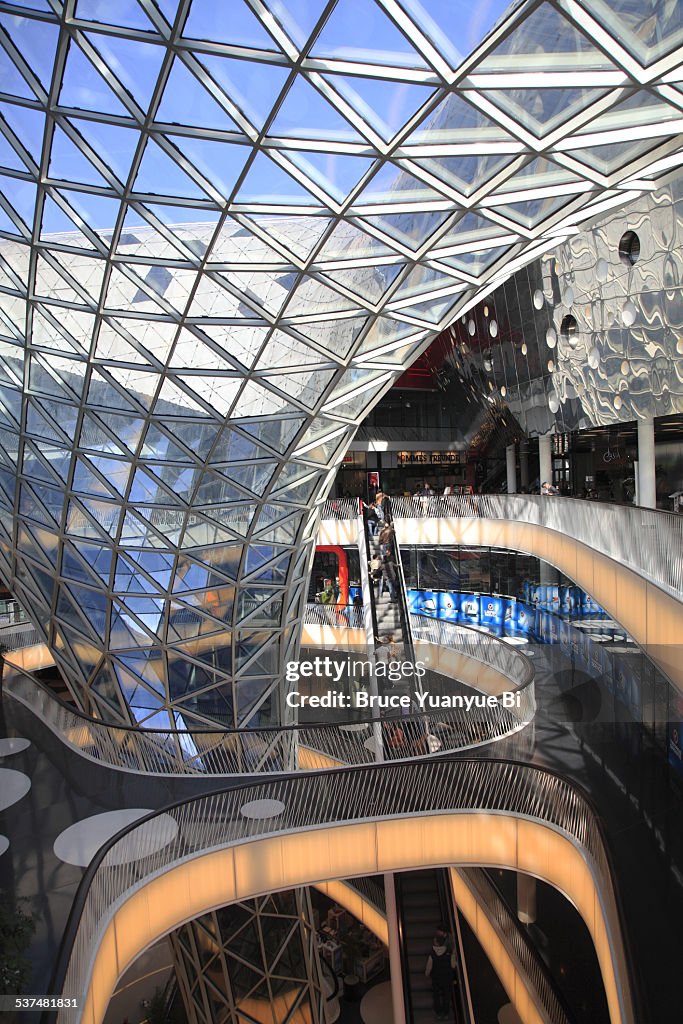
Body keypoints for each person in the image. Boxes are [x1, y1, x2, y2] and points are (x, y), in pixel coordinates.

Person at [425, 929, 456, 1020]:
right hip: (447, 978)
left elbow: (429, 966)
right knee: (447, 995)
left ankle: (438, 1012)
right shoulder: (449, 953)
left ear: (437, 943)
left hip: (436, 978)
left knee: (436, 995)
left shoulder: (432, 954)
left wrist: (427, 974)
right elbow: (453, 965)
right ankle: (446, 1013)